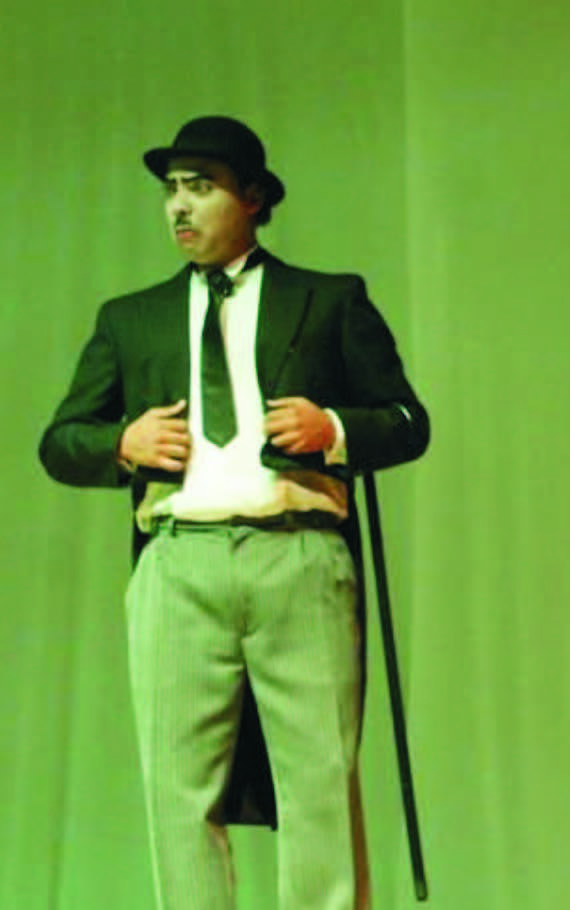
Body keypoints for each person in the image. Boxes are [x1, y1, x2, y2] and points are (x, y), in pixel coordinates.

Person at [39, 115, 429, 910]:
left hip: (298, 555)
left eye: (201, 187)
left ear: (251, 197)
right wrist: (122, 442)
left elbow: (407, 421)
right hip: (179, 559)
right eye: (171, 190)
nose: (179, 206)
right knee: (178, 789)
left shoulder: (328, 300)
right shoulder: (132, 318)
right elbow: (60, 442)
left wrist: (334, 428)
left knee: (319, 781)